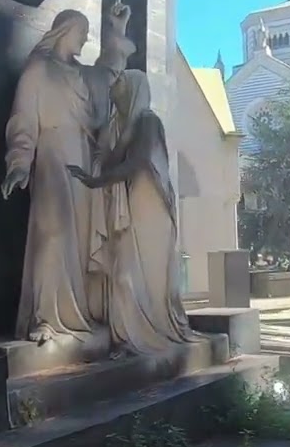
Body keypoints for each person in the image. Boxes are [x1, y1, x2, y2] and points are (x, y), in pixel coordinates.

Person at [2, 9, 115, 348]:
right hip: (51, 156)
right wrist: (19, 162)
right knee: (52, 234)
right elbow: (23, 119)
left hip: (82, 159)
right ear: (65, 30)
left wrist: (118, 30)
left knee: (79, 240)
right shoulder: (38, 69)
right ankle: (45, 316)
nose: (86, 37)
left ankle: (75, 313)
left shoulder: (85, 75)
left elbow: (113, 76)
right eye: (83, 31)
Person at [67, 69, 199, 355]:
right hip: (135, 204)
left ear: (133, 90)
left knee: (139, 275)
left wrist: (96, 181)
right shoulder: (123, 126)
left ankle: (145, 334)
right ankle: (130, 337)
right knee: (125, 272)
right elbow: (112, 159)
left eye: (119, 83)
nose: (113, 88)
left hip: (150, 206)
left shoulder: (147, 121)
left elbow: (138, 162)